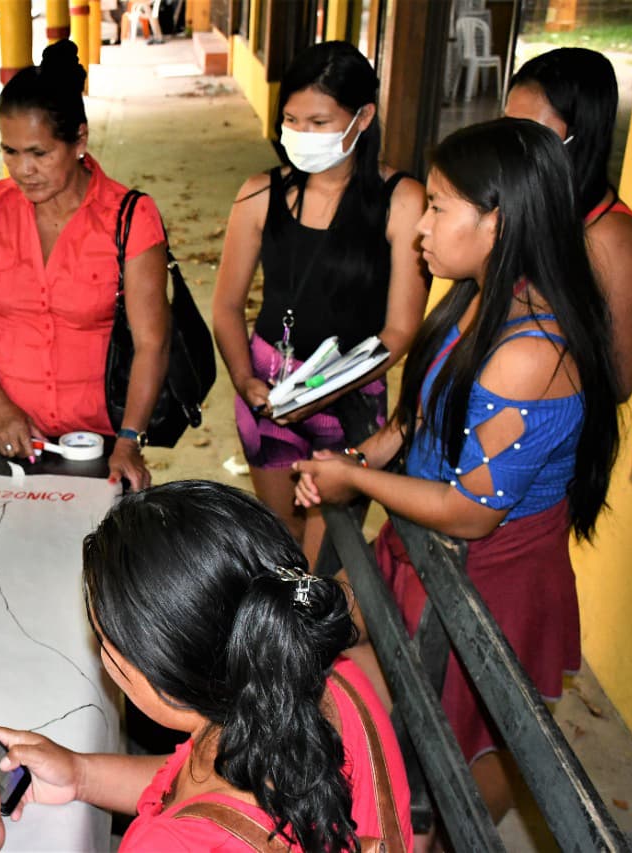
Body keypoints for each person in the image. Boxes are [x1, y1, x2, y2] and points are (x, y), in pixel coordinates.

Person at [294, 118, 619, 824]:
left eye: (439, 207)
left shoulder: (530, 353)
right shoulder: (479, 296)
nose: (422, 226)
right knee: (365, 699)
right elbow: (424, 415)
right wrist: (365, 454)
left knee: (465, 750)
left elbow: (471, 512)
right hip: (426, 544)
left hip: (488, 577)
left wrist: (357, 482)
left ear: (496, 221)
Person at [0, 481, 411, 851]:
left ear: (165, 677)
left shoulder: (167, 846)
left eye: (106, 642)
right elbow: (205, 787)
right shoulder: (331, 681)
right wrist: (81, 774)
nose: (104, 657)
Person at [212, 40, 427, 561]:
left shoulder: (401, 201)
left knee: (327, 552)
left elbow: (400, 330)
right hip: (267, 392)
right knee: (282, 539)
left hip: (350, 400)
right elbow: (226, 307)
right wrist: (243, 378)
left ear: (363, 118)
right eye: (291, 120)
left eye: (319, 122)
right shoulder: (259, 194)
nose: (301, 135)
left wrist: (324, 390)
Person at [0, 40, 170, 491]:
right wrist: (0, 410)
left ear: (79, 140)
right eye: (10, 151)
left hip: (95, 442)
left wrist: (129, 438)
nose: (23, 169)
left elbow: (152, 342)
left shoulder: (130, 218)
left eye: (39, 153)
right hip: (1, 436)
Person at [505, 46, 632, 401]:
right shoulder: (527, 199)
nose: (510, 146)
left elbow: (617, 382)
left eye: (529, 132)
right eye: (506, 127)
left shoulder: (612, 237)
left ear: (578, 137)